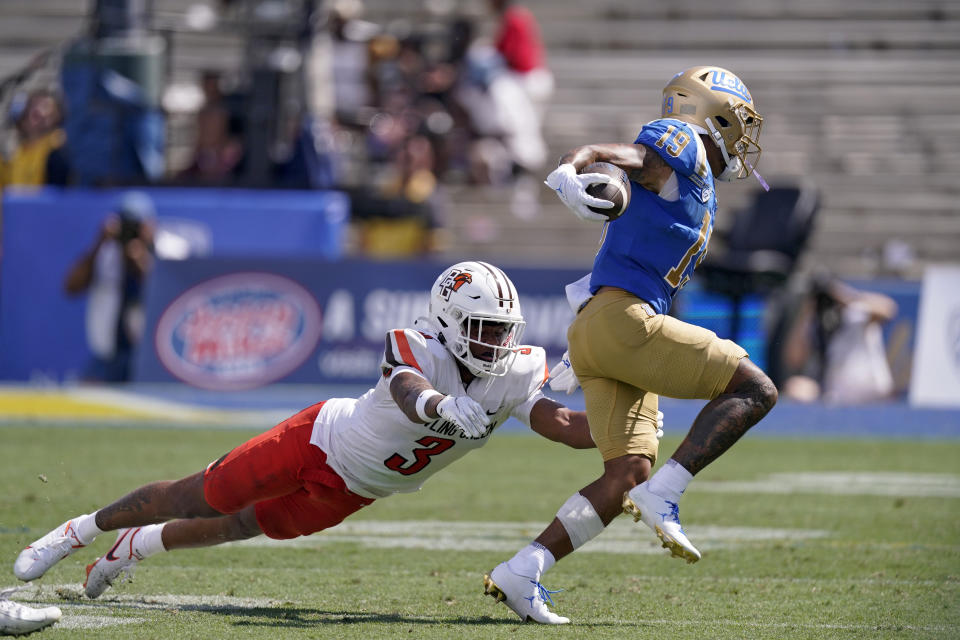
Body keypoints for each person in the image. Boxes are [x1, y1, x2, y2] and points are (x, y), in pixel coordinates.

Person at [15, 261, 641, 624]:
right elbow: (409, 390)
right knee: (200, 495)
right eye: (481, 330)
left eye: (502, 330)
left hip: (359, 489)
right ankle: (80, 530)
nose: (494, 344)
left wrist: (629, 417)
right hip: (318, 443)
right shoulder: (415, 342)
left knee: (240, 527)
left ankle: (136, 548)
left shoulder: (516, 370)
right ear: (449, 321)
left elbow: (566, 429)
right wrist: (445, 411)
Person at [483, 66, 779, 624]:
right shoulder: (684, 140)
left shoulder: (690, 180)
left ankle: (523, 570)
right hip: (624, 322)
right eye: (739, 122)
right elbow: (628, 156)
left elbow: (633, 180)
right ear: (712, 113)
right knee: (754, 389)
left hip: (601, 325)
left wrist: (584, 170)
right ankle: (668, 494)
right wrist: (577, 167)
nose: (744, 138)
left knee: (628, 473)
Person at [63, 192, 158, 382]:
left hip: (149, 358)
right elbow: (70, 287)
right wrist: (98, 244)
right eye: (126, 224)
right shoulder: (105, 253)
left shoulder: (165, 250)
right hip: (107, 355)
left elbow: (165, 292)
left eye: (136, 225)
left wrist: (142, 259)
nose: (130, 231)